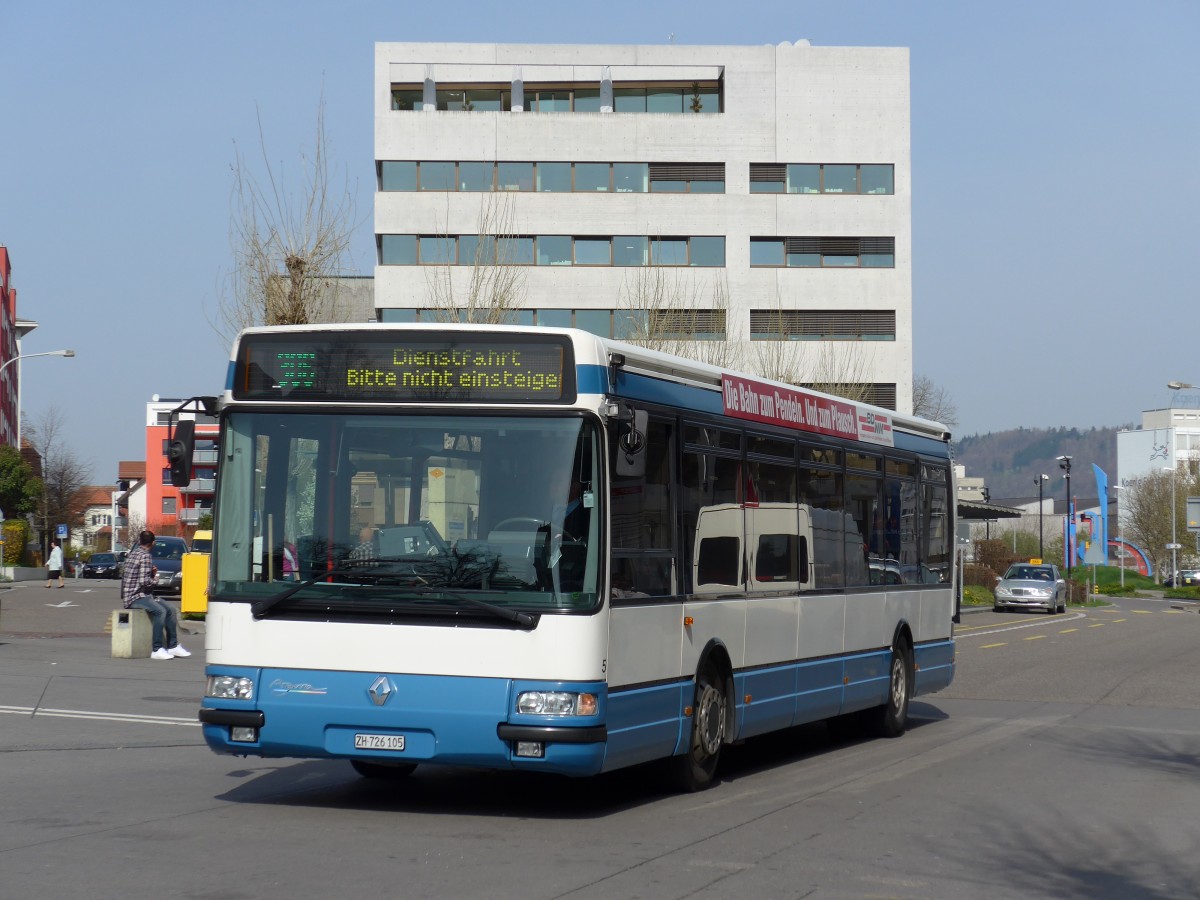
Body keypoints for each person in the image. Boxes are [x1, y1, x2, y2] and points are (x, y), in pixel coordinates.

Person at [120, 530, 190, 661]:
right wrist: (156, 578)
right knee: (160, 611)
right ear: (153, 543)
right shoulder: (146, 556)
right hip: (136, 597)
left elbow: (138, 576)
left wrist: (151, 573)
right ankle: (157, 649)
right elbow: (144, 582)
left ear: (140, 542)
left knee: (171, 609)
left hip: (135, 595)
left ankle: (172, 646)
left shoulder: (133, 554)